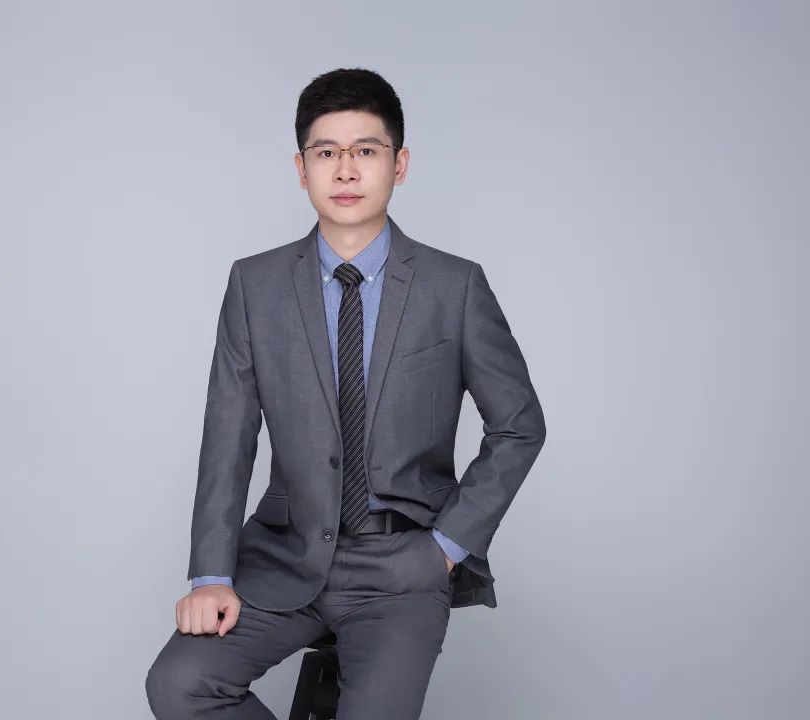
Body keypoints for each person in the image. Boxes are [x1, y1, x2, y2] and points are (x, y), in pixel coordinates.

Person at [145, 67, 546, 720]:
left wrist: (446, 549)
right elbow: (228, 436)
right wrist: (211, 575)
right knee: (180, 685)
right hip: (284, 557)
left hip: (403, 566)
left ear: (400, 164)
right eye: (326, 152)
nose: (346, 170)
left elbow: (519, 425)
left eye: (366, 150)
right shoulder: (255, 285)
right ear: (301, 169)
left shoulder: (454, 286)